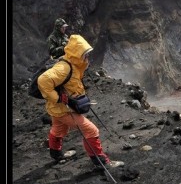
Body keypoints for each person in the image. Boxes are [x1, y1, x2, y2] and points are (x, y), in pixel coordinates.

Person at [38, 34, 124, 169]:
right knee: (91, 131)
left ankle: (56, 154)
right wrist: (60, 98)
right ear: (76, 53)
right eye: (85, 53)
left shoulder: (74, 64)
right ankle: (101, 162)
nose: (87, 56)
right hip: (63, 109)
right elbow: (43, 81)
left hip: (56, 108)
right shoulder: (64, 68)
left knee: (59, 129)